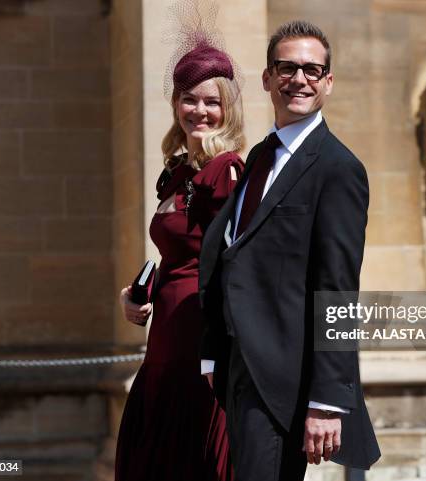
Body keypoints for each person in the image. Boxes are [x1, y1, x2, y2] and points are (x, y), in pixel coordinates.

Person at [199, 20, 381, 481]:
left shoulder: (339, 169)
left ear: (328, 82)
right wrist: (213, 353)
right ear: (267, 78)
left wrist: (327, 401)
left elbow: (338, 290)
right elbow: (233, 253)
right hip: (240, 368)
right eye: (287, 68)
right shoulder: (261, 155)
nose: (299, 79)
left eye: (312, 71)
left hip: (288, 379)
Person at [114, 9, 245, 480]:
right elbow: (177, 253)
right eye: (189, 100)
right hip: (164, 337)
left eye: (211, 101)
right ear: (175, 104)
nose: (200, 111)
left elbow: (229, 264)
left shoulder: (225, 170)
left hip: (198, 339)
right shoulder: (176, 171)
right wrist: (138, 294)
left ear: (227, 106)